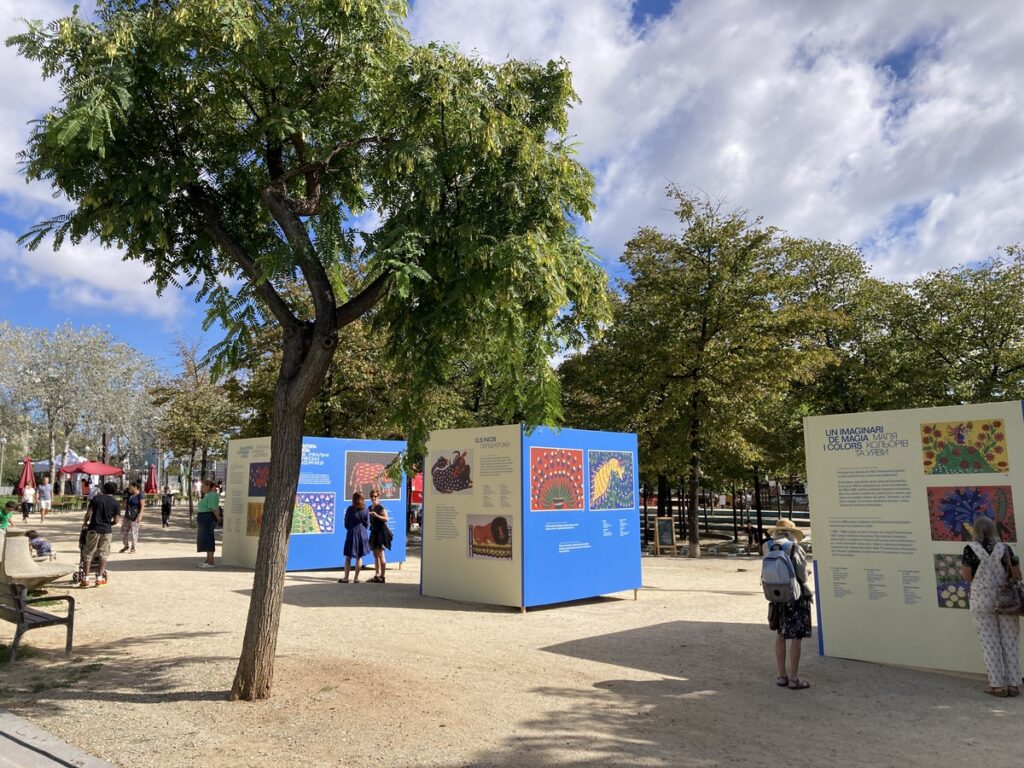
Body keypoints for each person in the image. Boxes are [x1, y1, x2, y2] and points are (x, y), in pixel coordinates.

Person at [962, 515, 1022, 697]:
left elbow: (967, 577)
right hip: (1006, 600)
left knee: (989, 642)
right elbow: (1018, 575)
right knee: (1010, 641)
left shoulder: (970, 550)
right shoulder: (1005, 548)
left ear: (975, 530)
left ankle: (997, 685)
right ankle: (1013, 684)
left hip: (981, 600)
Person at [764, 518, 812, 690]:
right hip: (795, 597)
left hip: (776, 596)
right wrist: (807, 573)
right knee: (796, 639)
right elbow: (802, 576)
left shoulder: (768, 546)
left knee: (780, 635)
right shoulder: (794, 547)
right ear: (792, 533)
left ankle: (781, 675)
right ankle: (794, 678)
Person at [80, 481, 120, 588]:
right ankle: (99, 578)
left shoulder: (96, 499)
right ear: (115, 491)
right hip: (106, 531)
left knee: (88, 553)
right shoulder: (116, 503)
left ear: (104, 489)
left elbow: (88, 514)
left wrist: (85, 524)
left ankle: (85, 579)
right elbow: (116, 520)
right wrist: (108, 524)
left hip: (93, 529)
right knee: (103, 554)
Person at [338, 492, 370, 583]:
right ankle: (356, 578)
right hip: (362, 534)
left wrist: (351, 528)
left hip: (351, 534)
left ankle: (346, 578)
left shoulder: (350, 509)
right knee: (359, 557)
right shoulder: (366, 510)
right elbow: (367, 524)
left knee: (348, 557)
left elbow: (346, 524)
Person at [367, 491, 393, 583]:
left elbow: (386, 519)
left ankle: (382, 576)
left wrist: (377, 515)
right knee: (375, 555)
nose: (373, 498)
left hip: (381, 532)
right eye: (371, 496)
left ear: (378, 497)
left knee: (381, 554)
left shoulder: (381, 507)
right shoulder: (369, 508)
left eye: (375, 496)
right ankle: (377, 575)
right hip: (374, 532)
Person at [196, 478, 222, 568]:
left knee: (208, 538)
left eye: (203, 486)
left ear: (208, 486)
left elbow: (213, 508)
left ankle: (210, 561)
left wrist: (218, 518)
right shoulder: (209, 495)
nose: (202, 488)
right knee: (206, 538)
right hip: (205, 518)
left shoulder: (212, 495)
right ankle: (208, 560)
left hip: (207, 518)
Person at [119, 482, 144, 553]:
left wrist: (140, 516)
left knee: (134, 533)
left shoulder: (140, 495)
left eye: (130, 487)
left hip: (134, 517)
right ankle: (126, 545)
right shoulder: (129, 495)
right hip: (127, 516)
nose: (129, 488)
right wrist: (124, 499)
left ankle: (133, 547)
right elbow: (123, 506)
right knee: (123, 532)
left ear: (135, 487)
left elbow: (142, 507)